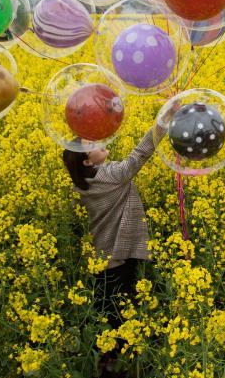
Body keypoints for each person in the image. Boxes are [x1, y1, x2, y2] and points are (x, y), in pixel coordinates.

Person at [61, 105, 177, 377]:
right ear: (88, 161)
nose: (99, 142)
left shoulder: (85, 181)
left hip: (105, 260)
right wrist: (163, 120)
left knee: (113, 318)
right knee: (120, 321)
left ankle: (116, 365)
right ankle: (118, 369)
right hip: (115, 260)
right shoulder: (110, 177)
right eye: (92, 145)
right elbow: (140, 154)